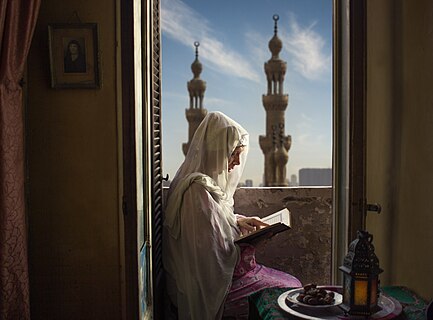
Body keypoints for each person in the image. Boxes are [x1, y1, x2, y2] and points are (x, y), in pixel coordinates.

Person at [163, 111, 301, 320]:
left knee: (291, 287)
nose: (236, 162)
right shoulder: (196, 192)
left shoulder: (204, 187)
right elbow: (211, 260)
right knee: (290, 289)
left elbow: (211, 224)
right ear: (217, 150)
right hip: (211, 290)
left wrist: (238, 221)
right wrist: (251, 244)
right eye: (233, 153)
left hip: (222, 278)